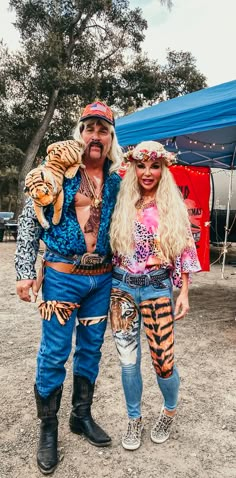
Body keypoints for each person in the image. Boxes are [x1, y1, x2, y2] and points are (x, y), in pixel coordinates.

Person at [15, 101, 122, 474]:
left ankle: (81, 416)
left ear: (111, 138)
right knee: (54, 351)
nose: (96, 136)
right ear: (81, 133)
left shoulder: (116, 181)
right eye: (90, 128)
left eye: (103, 130)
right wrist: (24, 270)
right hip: (62, 275)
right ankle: (48, 428)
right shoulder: (58, 173)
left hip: (101, 277)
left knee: (91, 350)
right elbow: (30, 222)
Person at [109, 140, 201, 451]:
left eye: (154, 166)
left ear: (163, 169)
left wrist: (184, 291)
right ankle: (134, 419)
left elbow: (185, 248)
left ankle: (170, 409)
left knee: (164, 362)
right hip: (121, 289)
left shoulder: (170, 206)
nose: (148, 172)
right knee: (128, 362)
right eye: (141, 165)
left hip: (156, 288)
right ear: (133, 168)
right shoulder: (121, 202)